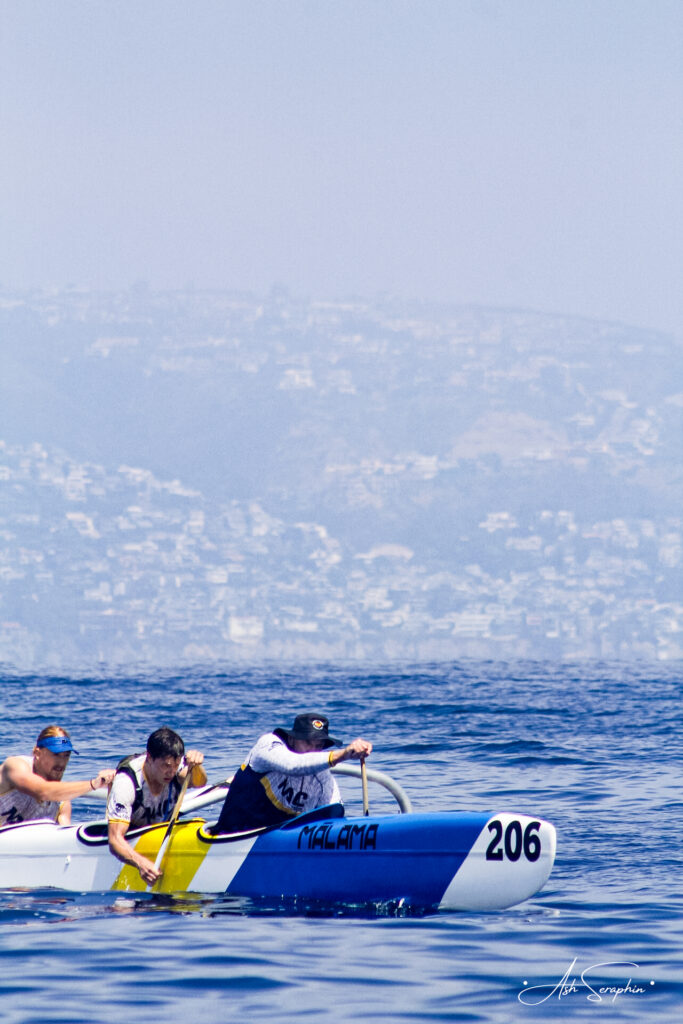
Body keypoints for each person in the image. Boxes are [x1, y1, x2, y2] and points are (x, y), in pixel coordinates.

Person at [212, 713, 372, 834]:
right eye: (307, 742)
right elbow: (291, 765)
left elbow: (334, 813)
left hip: (276, 846)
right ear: (291, 739)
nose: (313, 750)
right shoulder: (268, 745)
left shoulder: (322, 778)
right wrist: (343, 754)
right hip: (229, 838)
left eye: (319, 745)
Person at [107, 726, 207, 885]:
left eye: (176, 765)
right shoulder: (126, 783)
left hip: (161, 832)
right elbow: (114, 840)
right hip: (133, 837)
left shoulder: (175, 767)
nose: (171, 771)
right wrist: (141, 864)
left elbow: (199, 782)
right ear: (149, 758)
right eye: (166, 766)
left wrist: (196, 766)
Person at [0, 725, 114, 827]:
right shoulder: (15, 766)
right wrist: (93, 784)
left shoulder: (62, 802)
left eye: (66, 755)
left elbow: (65, 840)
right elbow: (42, 791)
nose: (62, 762)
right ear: (37, 753)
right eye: (56, 754)